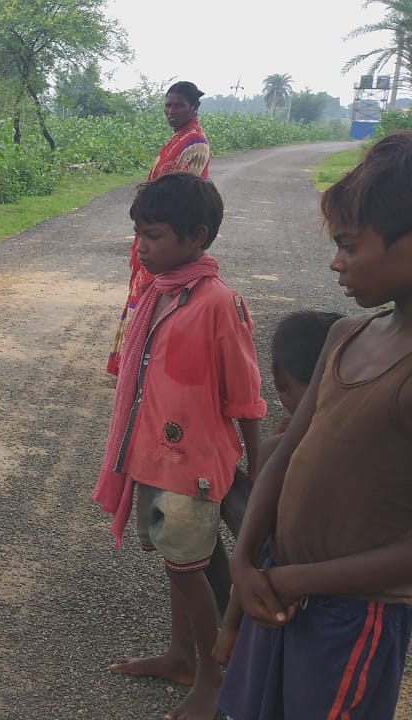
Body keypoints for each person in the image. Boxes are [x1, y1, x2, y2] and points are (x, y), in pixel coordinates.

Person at [219, 131, 412, 720]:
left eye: (350, 245)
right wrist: (245, 562)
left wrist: (296, 578)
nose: (336, 261)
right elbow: (282, 457)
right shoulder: (345, 336)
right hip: (276, 591)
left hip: (352, 616)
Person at [93, 172, 265, 720]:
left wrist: (259, 469)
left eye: (155, 235)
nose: (142, 246)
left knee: (190, 575)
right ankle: (179, 657)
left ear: (197, 237)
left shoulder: (218, 303)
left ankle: (211, 682)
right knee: (175, 566)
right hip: (153, 458)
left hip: (192, 467)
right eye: (139, 234)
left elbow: (246, 397)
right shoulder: (158, 294)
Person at [212, 309, 342, 665]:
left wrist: (229, 629)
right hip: (346, 619)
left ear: (279, 378)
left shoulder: (276, 453)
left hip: (271, 605)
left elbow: (252, 550)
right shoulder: (368, 446)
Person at [107, 80, 212, 377]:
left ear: (193, 107)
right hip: (155, 227)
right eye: (167, 105)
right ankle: (133, 361)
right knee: (144, 290)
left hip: (172, 232)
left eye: (178, 105)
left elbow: (179, 193)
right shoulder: (177, 139)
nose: (171, 111)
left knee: (156, 293)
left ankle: (144, 364)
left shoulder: (195, 144)